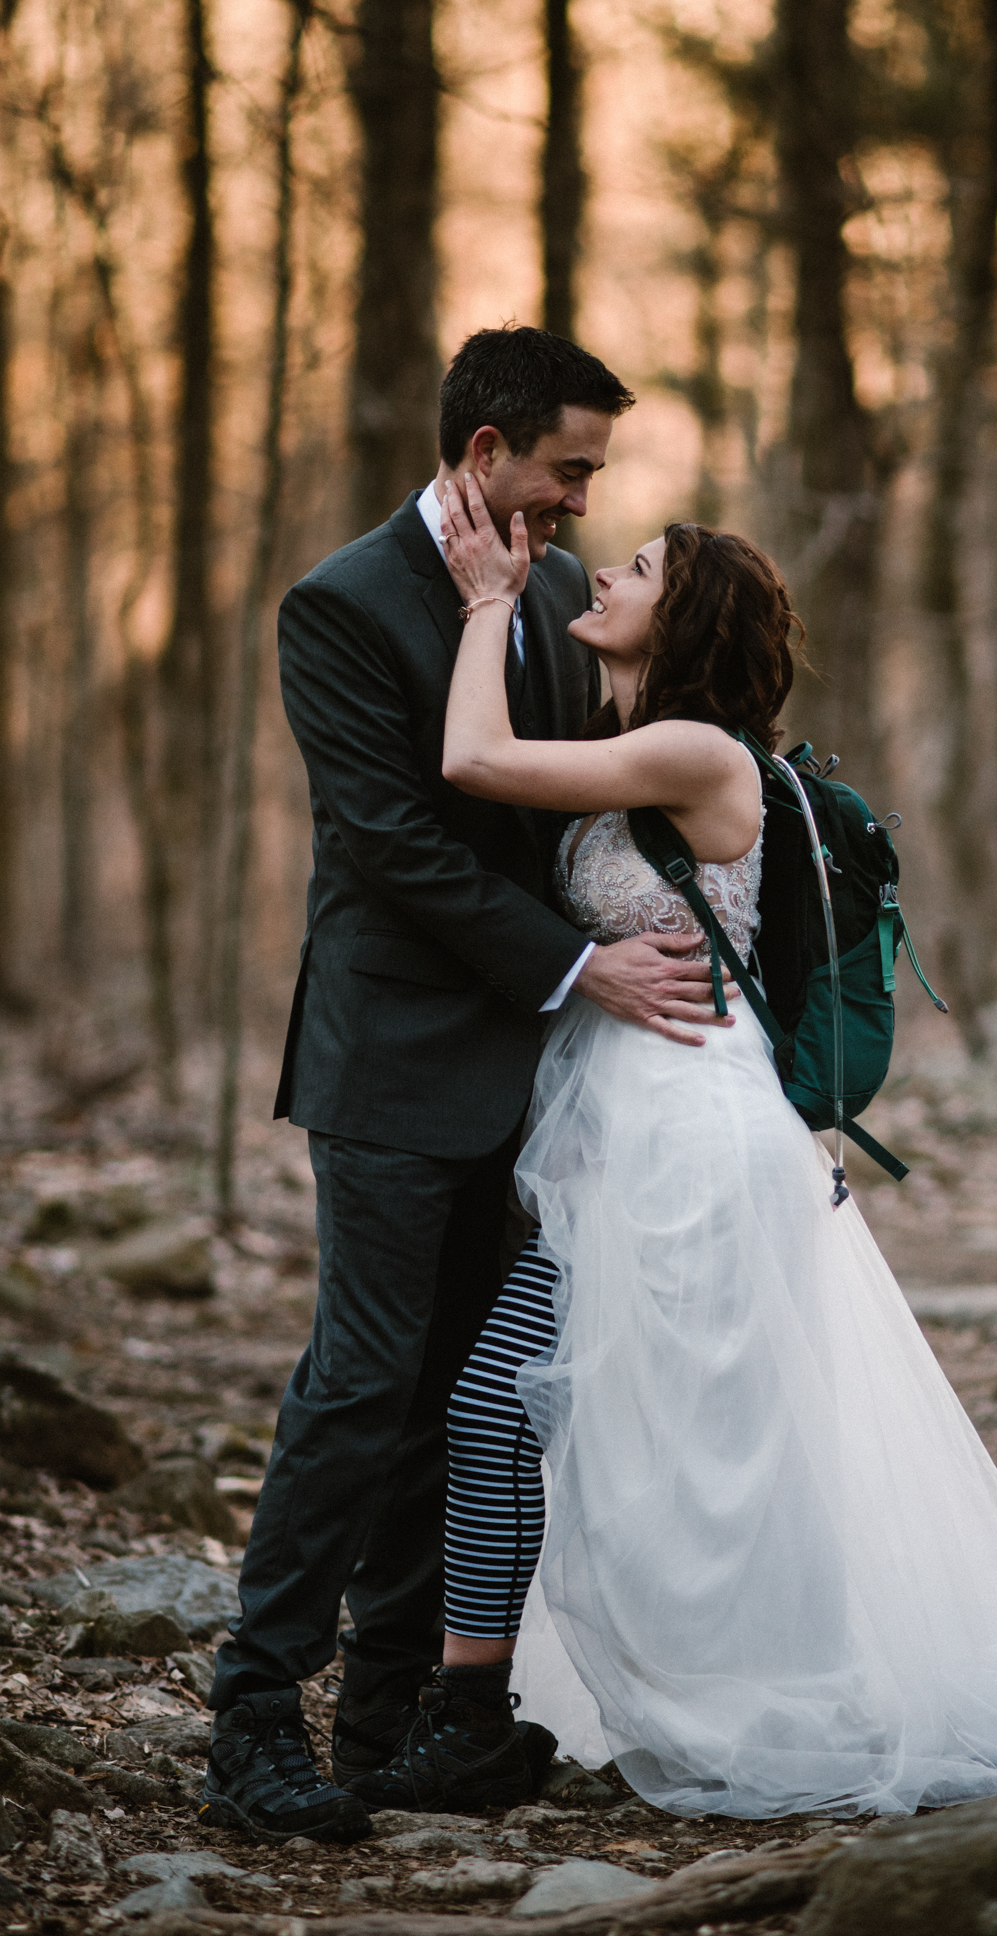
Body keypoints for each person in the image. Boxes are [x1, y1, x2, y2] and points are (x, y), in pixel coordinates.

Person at [363, 486, 997, 1819]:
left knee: (603, 1426)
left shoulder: (697, 754)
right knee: (606, 1428)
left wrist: (493, 604)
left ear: (693, 619)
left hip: (689, 1147)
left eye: (639, 566)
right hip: (627, 1136)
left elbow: (478, 764)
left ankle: (524, 1712)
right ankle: (487, 1711)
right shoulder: (641, 743)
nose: (604, 574)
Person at [200, 329, 739, 1843]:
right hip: (391, 1056)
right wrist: (581, 970)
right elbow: (395, 843)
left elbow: (595, 798)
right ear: (488, 450)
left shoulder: (564, 595)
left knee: (467, 1400)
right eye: (570, 467)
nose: (582, 498)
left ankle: (388, 1727)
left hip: (545, 1083)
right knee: (361, 1386)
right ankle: (253, 1717)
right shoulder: (344, 602)